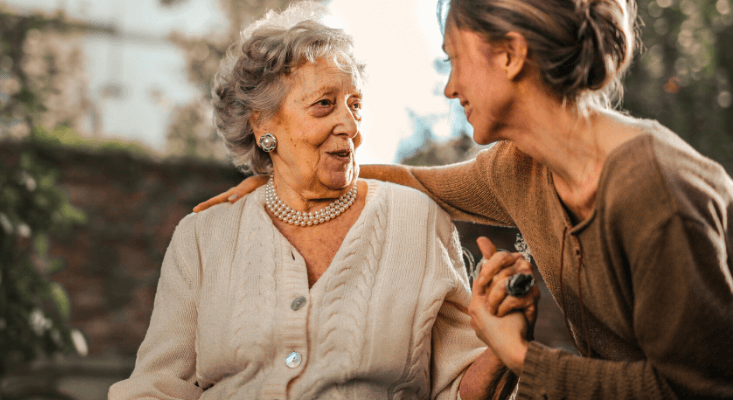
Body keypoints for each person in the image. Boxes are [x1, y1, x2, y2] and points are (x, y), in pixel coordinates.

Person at [194, 0, 733, 398]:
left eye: (454, 59)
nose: (450, 88)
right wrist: (287, 177)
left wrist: (518, 354)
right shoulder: (521, 168)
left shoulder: (654, 190)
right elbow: (417, 181)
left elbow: (698, 388)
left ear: (511, 55)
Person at [110, 3, 538, 399]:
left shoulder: (418, 222)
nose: (349, 125)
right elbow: (157, 387)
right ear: (262, 126)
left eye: (355, 105)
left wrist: (503, 348)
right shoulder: (203, 237)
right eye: (324, 105)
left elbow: (458, 388)